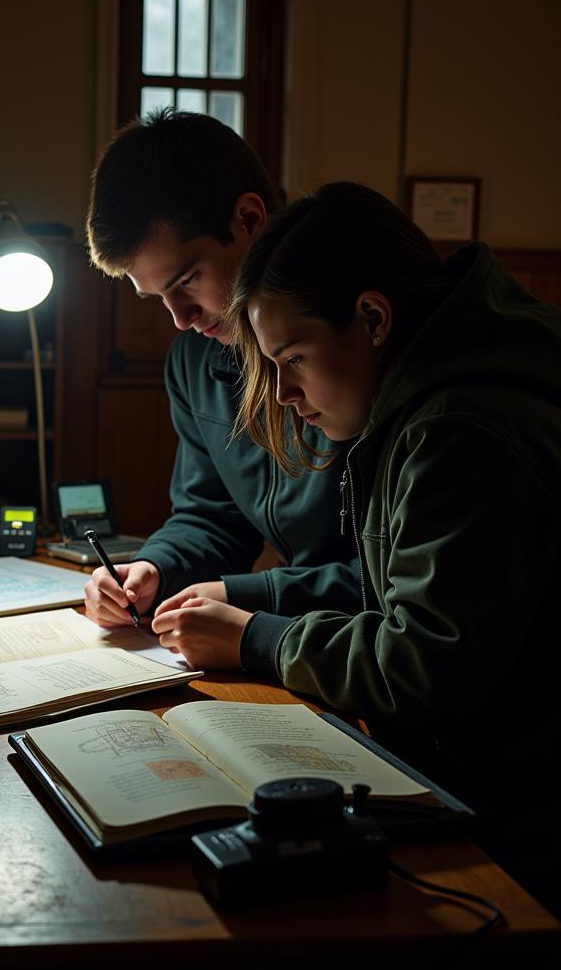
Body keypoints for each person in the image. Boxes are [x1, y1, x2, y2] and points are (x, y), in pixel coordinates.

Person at [153, 181, 561, 912]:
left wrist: (259, 641)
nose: (280, 395)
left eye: (294, 358)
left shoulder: (459, 430)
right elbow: (403, 592)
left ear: (372, 318)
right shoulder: (428, 393)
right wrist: (245, 600)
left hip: (522, 824)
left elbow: (426, 666)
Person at [83, 109, 358, 627]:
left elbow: (393, 578)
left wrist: (245, 596)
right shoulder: (194, 361)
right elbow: (213, 515)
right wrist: (154, 567)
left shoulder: (355, 347)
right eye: (155, 297)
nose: (180, 319)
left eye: (186, 280)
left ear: (250, 219)